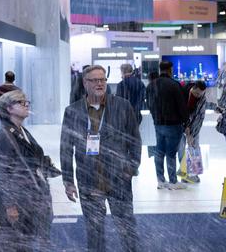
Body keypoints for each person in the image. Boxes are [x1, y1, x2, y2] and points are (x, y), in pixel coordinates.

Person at [60, 65, 141, 252]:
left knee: (127, 228)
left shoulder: (123, 106)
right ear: (85, 83)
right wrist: (68, 180)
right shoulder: (72, 111)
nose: (99, 83)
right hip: (89, 180)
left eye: (102, 80)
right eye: (94, 80)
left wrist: (131, 167)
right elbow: (66, 147)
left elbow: (135, 140)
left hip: (119, 178)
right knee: (94, 231)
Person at [0, 89, 59, 252]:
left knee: (25, 243)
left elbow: (30, 159)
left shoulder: (22, 132)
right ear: (9, 109)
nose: (26, 106)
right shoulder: (4, 136)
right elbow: (0, 174)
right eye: (21, 103)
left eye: (26, 102)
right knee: (14, 244)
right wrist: (10, 206)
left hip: (30, 199)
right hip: (17, 201)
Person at [146, 61, 188, 190]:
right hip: (173, 124)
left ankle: (160, 180)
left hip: (158, 123)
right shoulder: (174, 85)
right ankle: (173, 182)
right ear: (170, 69)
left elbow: (149, 104)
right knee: (171, 153)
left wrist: (155, 118)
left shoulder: (151, 85)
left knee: (159, 152)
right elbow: (181, 106)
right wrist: (185, 122)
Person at [177, 81, 207, 183]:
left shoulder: (202, 98)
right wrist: (186, 127)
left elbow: (200, 117)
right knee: (181, 150)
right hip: (180, 124)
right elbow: (180, 111)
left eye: (201, 94)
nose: (198, 96)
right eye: (197, 93)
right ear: (193, 88)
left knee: (194, 147)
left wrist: (192, 134)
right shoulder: (183, 92)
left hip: (194, 125)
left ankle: (193, 174)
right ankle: (184, 174)